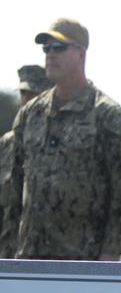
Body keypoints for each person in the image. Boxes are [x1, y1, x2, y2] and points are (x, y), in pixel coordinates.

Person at [0, 18, 121, 260]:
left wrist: (107, 258)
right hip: (29, 262)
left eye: (59, 47)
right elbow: (12, 191)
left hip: (82, 265)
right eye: (46, 48)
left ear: (81, 53)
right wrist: (7, 254)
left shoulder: (107, 116)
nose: (50, 55)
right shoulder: (30, 114)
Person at [1, 66, 54, 257]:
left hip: (48, 254)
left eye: (35, 93)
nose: (28, 99)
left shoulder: (58, 142)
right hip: (8, 253)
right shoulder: (6, 144)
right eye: (24, 93)